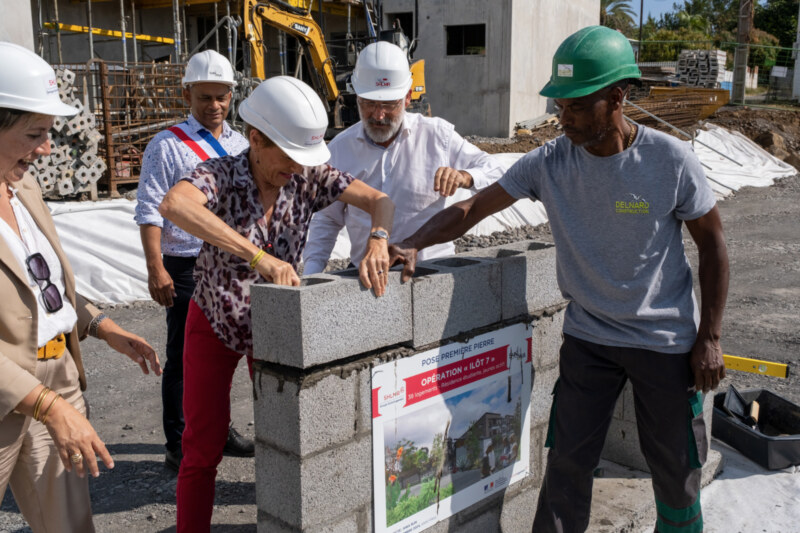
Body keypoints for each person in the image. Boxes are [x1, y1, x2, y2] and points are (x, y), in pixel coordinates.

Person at [389, 26, 729, 533]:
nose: (561, 117)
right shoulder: (550, 161)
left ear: (616, 97)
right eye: (559, 105)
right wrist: (411, 242)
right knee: (567, 464)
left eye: (575, 105)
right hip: (589, 338)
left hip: (663, 341)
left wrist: (710, 337)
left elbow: (714, 247)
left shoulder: (669, 161)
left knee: (676, 469)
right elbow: (473, 207)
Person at [158, 75, 395, 532]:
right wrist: (258, 256)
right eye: (287, 156)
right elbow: (175, 205)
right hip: (214, 321)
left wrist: (380, 239)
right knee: (202, 446)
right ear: (255, 139)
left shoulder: (308, 178)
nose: (295, 168)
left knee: (287, 436)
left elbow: (379, 200)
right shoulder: (220, 174)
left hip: (276, 327)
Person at [0, 41, 162, 532]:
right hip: (9, 393)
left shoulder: (22, 187)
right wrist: (47, 407)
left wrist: (103, 327)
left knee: (69, 524)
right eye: (35, 133)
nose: (47, 148)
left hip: (59, 376)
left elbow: (43, 282)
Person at [135, 49, 253, 472]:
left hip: (231, 265)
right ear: (187, 93)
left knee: (224, 351)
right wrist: (156, 267)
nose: (214, 105)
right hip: (185, 264)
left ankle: (219, 429)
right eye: (205, 97)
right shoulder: (166, 145)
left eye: (222, 97)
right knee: (185, 355)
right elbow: (149, 208)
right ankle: (178, 440)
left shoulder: (241, 143)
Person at [302, 41, 505, 274]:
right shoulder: (339, 150)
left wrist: (466, 176)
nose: (378, 115)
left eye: (389, 105)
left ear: (407, 97)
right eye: (368, 103)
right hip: (367, 277)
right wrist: (311, 276)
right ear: (356, 97)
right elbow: (327, 221)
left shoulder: (438, 137)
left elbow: (497, 170)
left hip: (429, 274)